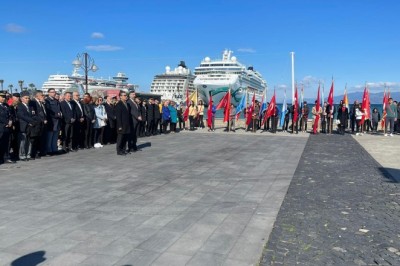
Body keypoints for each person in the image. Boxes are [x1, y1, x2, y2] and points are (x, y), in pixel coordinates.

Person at [29, 90, 47, 158]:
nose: (43, 97)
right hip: (36, 124)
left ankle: (40, 151)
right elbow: (34, 114)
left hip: (42, 124)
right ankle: (34, 153)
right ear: (37, 96)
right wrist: (42, 120)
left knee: (40, 138)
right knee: (35, 139)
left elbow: (43, 112)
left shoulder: (41, 103)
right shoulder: (33, 102)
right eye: (42, 95)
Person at [0, 91, 13, 164]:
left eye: (4, 97)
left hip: (7, 128)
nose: (3, 98)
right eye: (2, 97)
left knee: (7, 143)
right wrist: (6, 122)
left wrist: (10, 121)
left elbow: (10, 114)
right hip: (1, 127)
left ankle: (6, 157)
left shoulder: (6, 105)